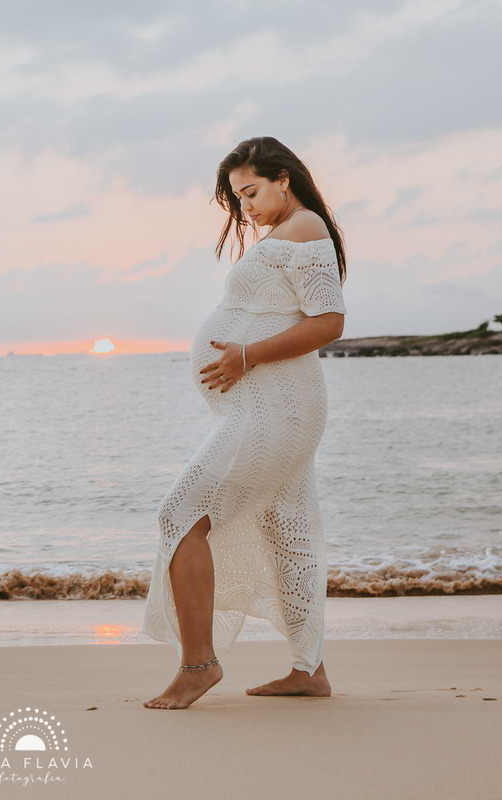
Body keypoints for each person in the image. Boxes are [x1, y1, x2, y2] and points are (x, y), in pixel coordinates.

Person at [141, 136, 347, 709]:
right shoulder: (289, 234)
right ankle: (310, 670)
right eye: (237, 197)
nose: (245, 207)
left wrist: (245, 355)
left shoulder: (305, 228)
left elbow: (329, 322)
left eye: (251, 192)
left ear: (284, 178)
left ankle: (198, 665)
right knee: (289, 537)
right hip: (273, 407)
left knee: (179, 514)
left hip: (277, 407)